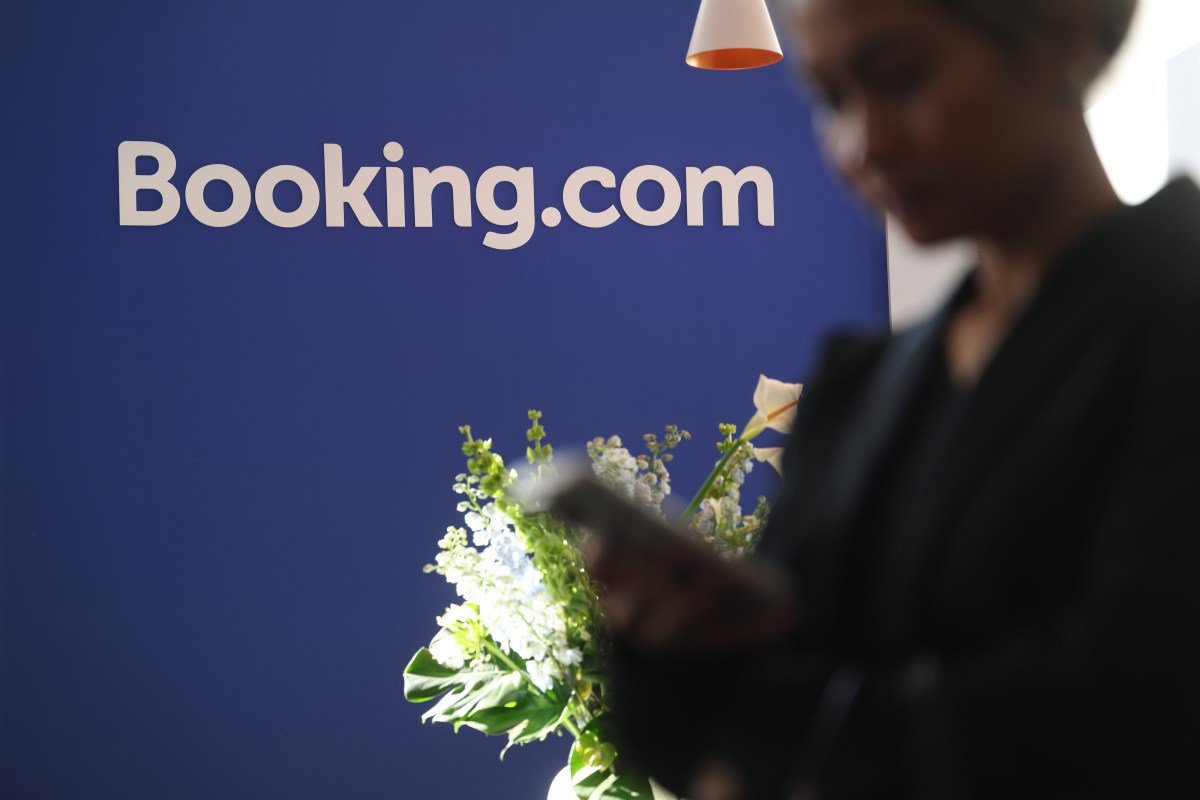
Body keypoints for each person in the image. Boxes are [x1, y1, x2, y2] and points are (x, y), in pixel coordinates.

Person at [583, 0, 1200, 798]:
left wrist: (790, 724)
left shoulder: (1174, 314)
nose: (863, 144)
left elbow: (1141, 701)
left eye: (901, 77)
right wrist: (671, 647)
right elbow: (726, 741)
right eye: (832, 99)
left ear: (1065, 37)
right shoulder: (861, 387)